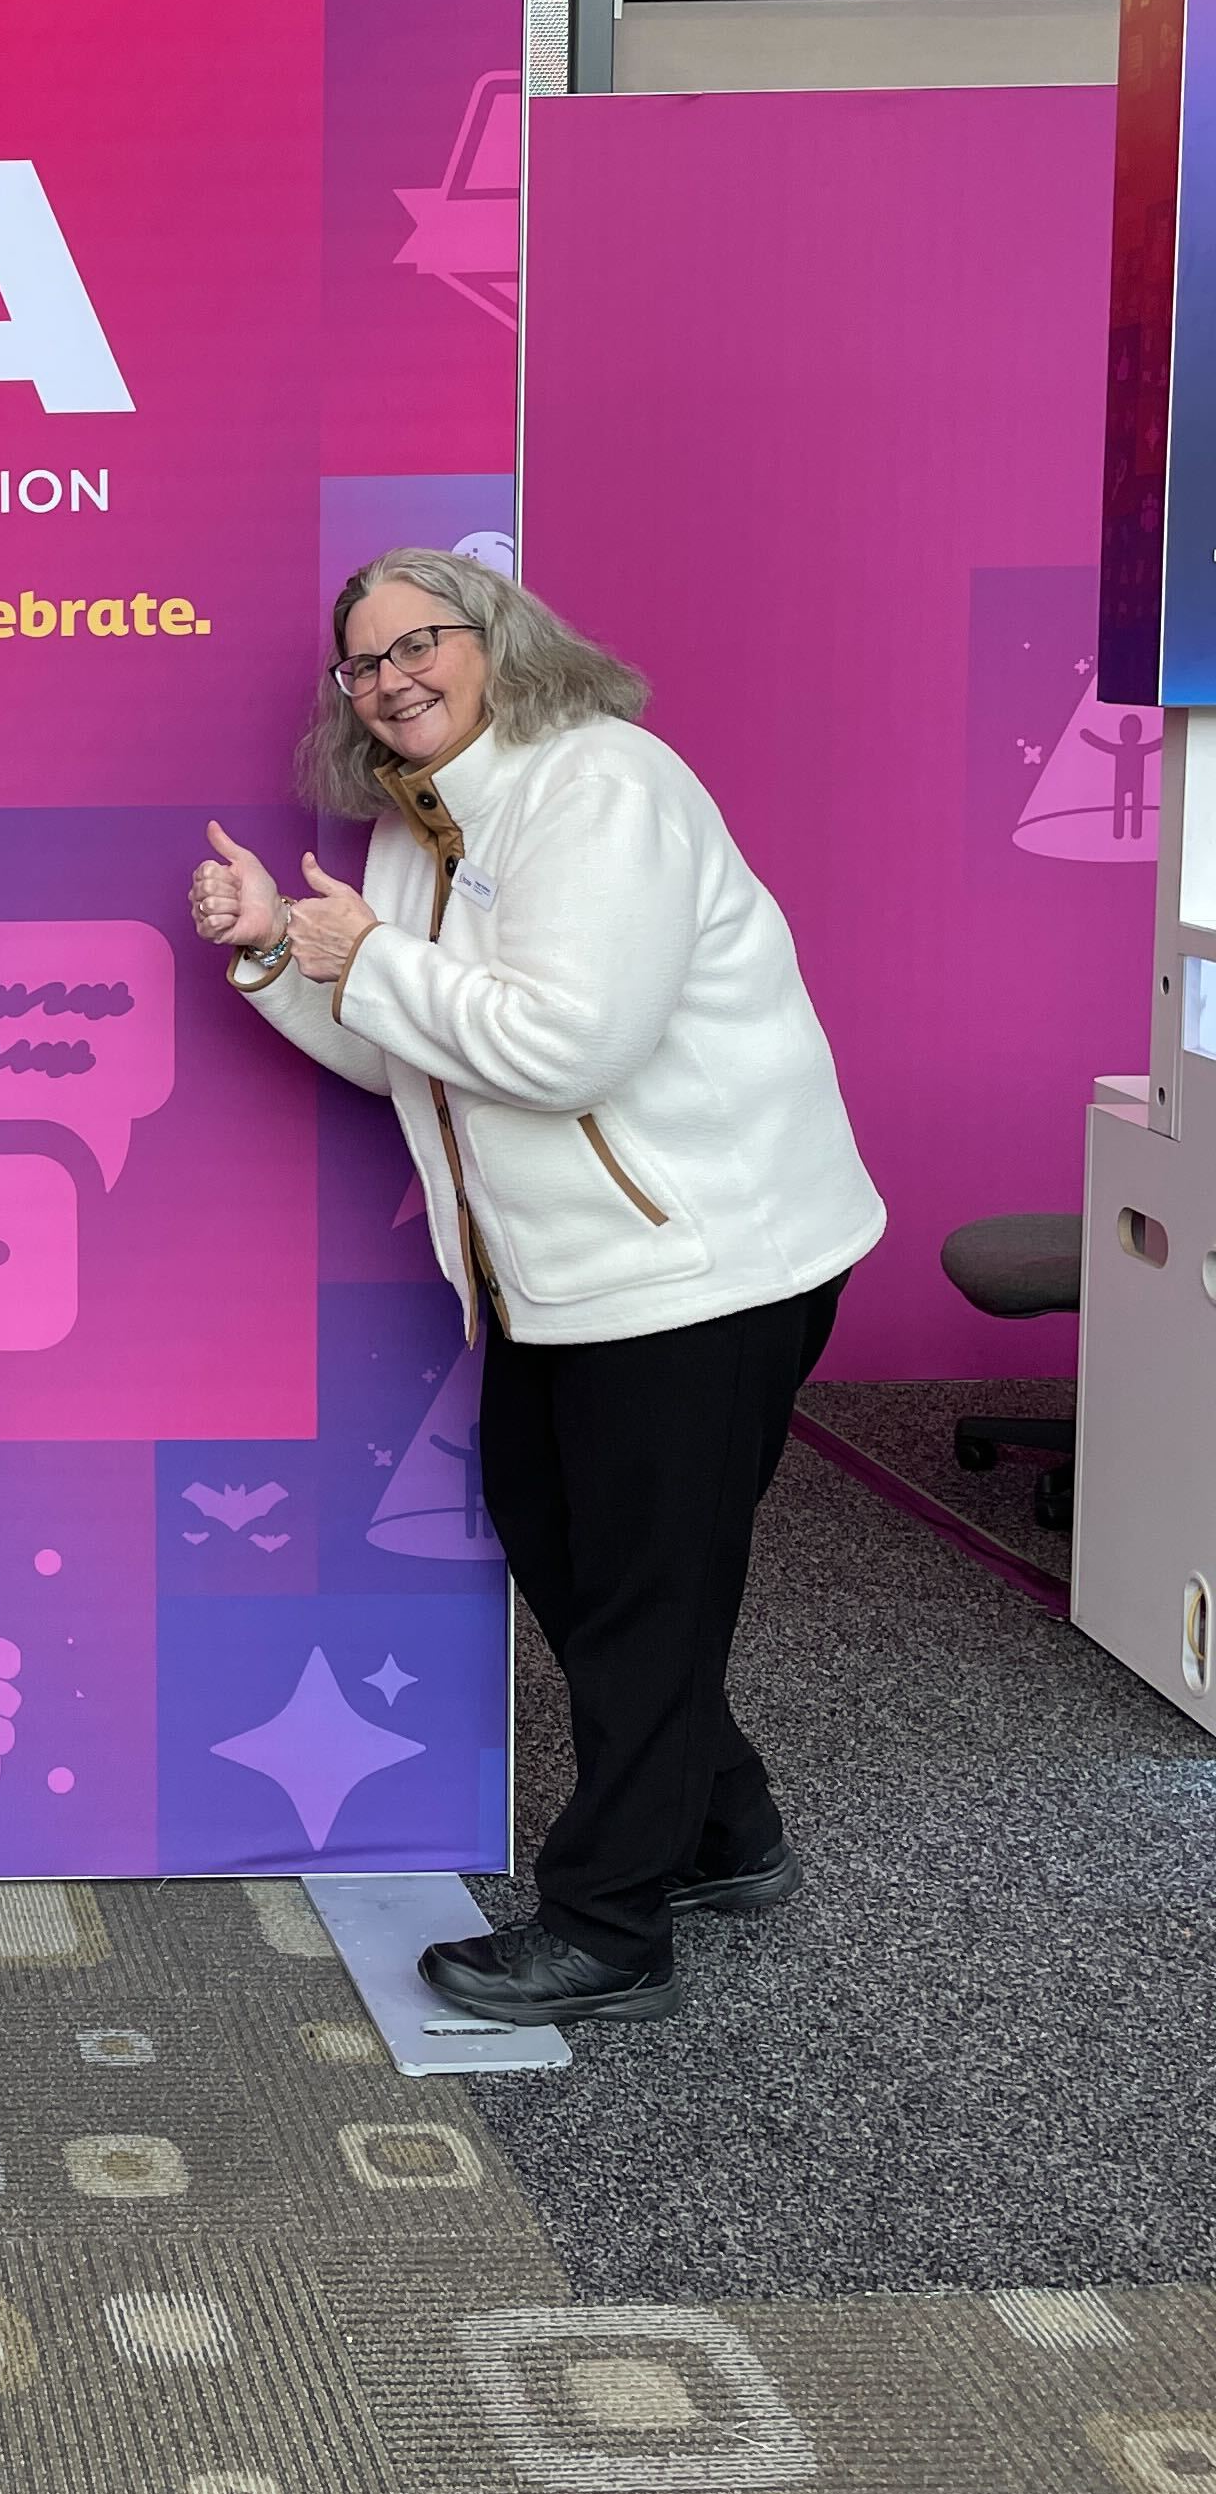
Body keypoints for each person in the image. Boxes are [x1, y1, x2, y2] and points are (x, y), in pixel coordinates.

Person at [190, 548, 882, 2028]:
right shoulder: (409, 831)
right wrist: (278, 959)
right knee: (577, 1561)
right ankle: (724, 1828)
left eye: (419, 643)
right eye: (362, 664)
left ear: (497, 640)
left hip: (701, 1270)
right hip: (553, 1282)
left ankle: (609, 1929)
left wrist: (371, 955)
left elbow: (570, 1046)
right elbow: (412, 1051)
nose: (391, 681)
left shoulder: (604, 786)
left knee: (646, 1599)